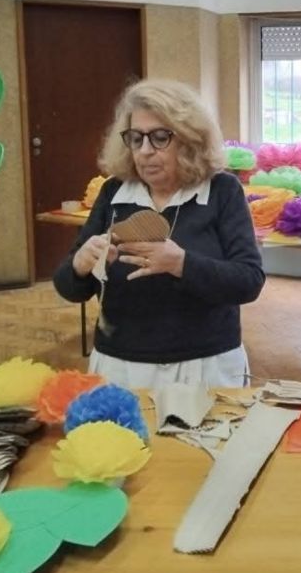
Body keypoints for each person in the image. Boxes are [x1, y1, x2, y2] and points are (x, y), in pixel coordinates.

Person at [54, 78, 265, 389]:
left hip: (206, 365)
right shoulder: (114, 191)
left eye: (160, 138)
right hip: (121, 365)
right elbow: (69, 288)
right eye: (136, 139)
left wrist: (182, 264)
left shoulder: (222, 191)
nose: (145, 151)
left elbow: (249, 281)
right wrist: (80, 265)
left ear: (191, 139)